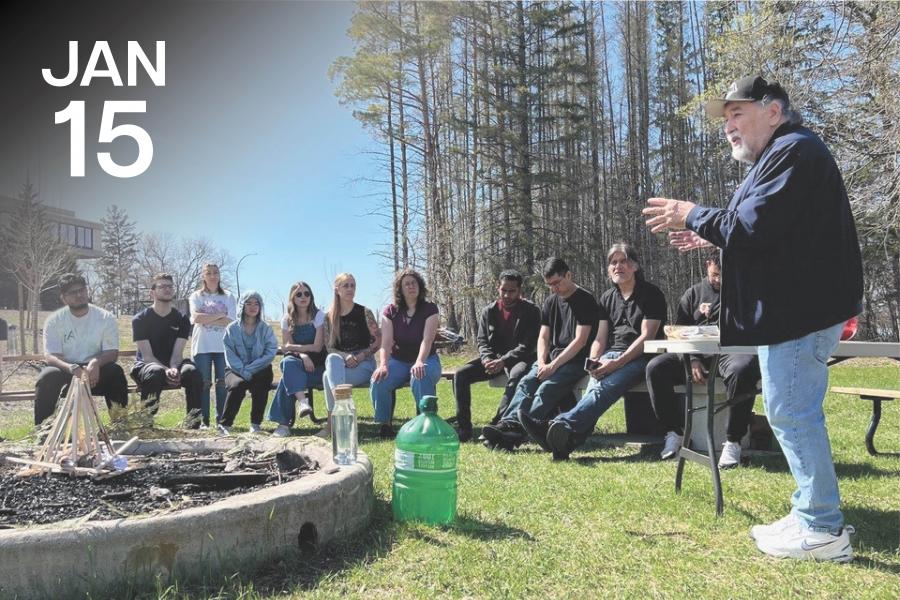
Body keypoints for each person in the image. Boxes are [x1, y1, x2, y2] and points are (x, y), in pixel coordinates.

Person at [643, 75, 863, 562]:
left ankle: (823, 527)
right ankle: (809, 510)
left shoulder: (795, 152)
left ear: (774, 111)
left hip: (800, 312)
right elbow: (759, 231)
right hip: (793, 311)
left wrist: (693, 213)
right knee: (792, 412)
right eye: (724, 119)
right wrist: (709, 234)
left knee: (793, 413)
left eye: (737, 113)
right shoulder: (781, 156)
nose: (728, 126)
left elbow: (752, 226)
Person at [517, 244, 667, 460]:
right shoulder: (607, 298)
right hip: (611, 355)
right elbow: (600, 338)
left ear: (634, 265)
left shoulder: (651, 294)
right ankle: (564, 443)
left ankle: (557, 425)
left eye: (623, 261)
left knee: (602, 391)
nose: (618, 266)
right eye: (613, 263)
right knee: (594, 390)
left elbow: (647, 338)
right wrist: (594, 361)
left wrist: (615, 364)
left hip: (641, 358)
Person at [645, 253, 760, 467]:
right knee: (656, 368)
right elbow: (679, 331)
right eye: (716, 275)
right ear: (708, 265)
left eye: (725, 276)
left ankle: (733, 442)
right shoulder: (693, 294)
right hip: (697, 355)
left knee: (742, 370)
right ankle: (674, 433)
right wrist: (692, 359)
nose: (720, 280)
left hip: (731, 352)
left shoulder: (743, 291)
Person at [482, 257, 598, 451]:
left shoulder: (585, 300)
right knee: (527, 382)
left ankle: (514, 433)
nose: (553, 289)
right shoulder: (550, 301)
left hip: (575, 361)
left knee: (546, 389)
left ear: (568, 275)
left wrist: (553, 366)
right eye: (549, 285)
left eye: (557, 283)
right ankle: (507, 424)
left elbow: (580, 341)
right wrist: (542, 362)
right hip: (550, 358)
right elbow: (543, 337)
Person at [452, 270, 540, 442]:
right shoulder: (489, 311)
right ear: (497, 288)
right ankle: (464, 428)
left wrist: (504, 361)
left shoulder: (531, 311)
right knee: (460, 375)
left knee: (517, 375)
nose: (507, 295)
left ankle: (497, 424)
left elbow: (528, 346)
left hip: (518, 360)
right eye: (503, 290)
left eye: (512, 291)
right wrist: (486, 358)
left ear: (520, 290)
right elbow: (482, 340)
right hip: (493, 359)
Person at [34, 273, 128, 425]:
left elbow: (112, 353)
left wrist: (96, 363)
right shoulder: (54, 321)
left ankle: (120, 426)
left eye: (82, 290)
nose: (79, 295)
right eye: (73, 292)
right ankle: (43, 430)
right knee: (47, 376)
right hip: (67, 372)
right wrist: (71, 368)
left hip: (95, 373)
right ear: (63, 298)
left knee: (115, 372)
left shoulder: (105, 317)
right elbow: (51, 356)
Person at [370, 268, 442, 439]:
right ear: (400, 289)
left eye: (414, 283)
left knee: (420, 373)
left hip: (427, 358)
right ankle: (385, 425)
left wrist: (419, 362)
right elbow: (386, 343)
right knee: (379, 378)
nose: (411, 287)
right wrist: (383, 365)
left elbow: (427, 340)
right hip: (398, 361)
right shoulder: (390, 312)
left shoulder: (430, 309)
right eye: (407, 284)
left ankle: (427, 422)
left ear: (420, 286)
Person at [131, 273, 203, 426]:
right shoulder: (140, 319)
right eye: (162, 286)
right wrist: (166, 370)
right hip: (146, 366)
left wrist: (174, 368)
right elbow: (148, 357)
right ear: (152, 292)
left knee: (192, 372)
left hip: (173, 364)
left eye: (170, 286)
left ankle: (193, 423)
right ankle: (146, 423)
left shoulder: (182, 319)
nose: (167, 289)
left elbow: (177, 354)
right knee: (156, 372)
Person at [321, 273, 381, 437]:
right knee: (331, 361)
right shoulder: (328, 317)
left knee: (328, 377)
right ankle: (343, 409)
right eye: (346, 285)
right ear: (337, 289)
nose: (350, 289)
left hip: (365, 364)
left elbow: (378, 341)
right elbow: (329, 347)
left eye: (352, 285)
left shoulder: (364, 312)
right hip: (340, 363)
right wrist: (346, 356)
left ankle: (333, 424)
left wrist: (361, 356)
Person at [267, 281, 326, 437]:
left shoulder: (318, 316)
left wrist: (297, 349)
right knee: (288, 362)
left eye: (307, 293)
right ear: (292, 298)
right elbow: (286, 346)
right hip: (297, 366)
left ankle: (283, 425)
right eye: (299, 294)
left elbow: (317, 347)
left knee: (286, 379)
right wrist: (304, 355)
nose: (303, 297)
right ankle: (303, 402)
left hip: (318, 368)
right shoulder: (287, 319)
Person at [219, 290, 277, 435]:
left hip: (260, 369)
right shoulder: (231, 329)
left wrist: (250, 369)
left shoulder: (266, 328)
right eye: (249, 303)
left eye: (256, 303)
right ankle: (225, 425)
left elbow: (270, 352)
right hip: (235, 370)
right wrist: (243, 371)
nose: (253, 306)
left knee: (262, 382)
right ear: (242, 306)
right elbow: (230, 355)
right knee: (237, 385)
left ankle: (255, 424)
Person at [188, 263, 236, 427]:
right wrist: (220, 315)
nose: (213, 276)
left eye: (216, 273)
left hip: (223, 346)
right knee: (203, 384)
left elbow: (230, 321)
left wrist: (208, 316)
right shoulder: (196, 296)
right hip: (202, 346)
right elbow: (196, 319)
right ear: (203, 276)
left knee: (222, 384)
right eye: (209, 273)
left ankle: (221, 421)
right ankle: (204, 422)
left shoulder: (228, 296)